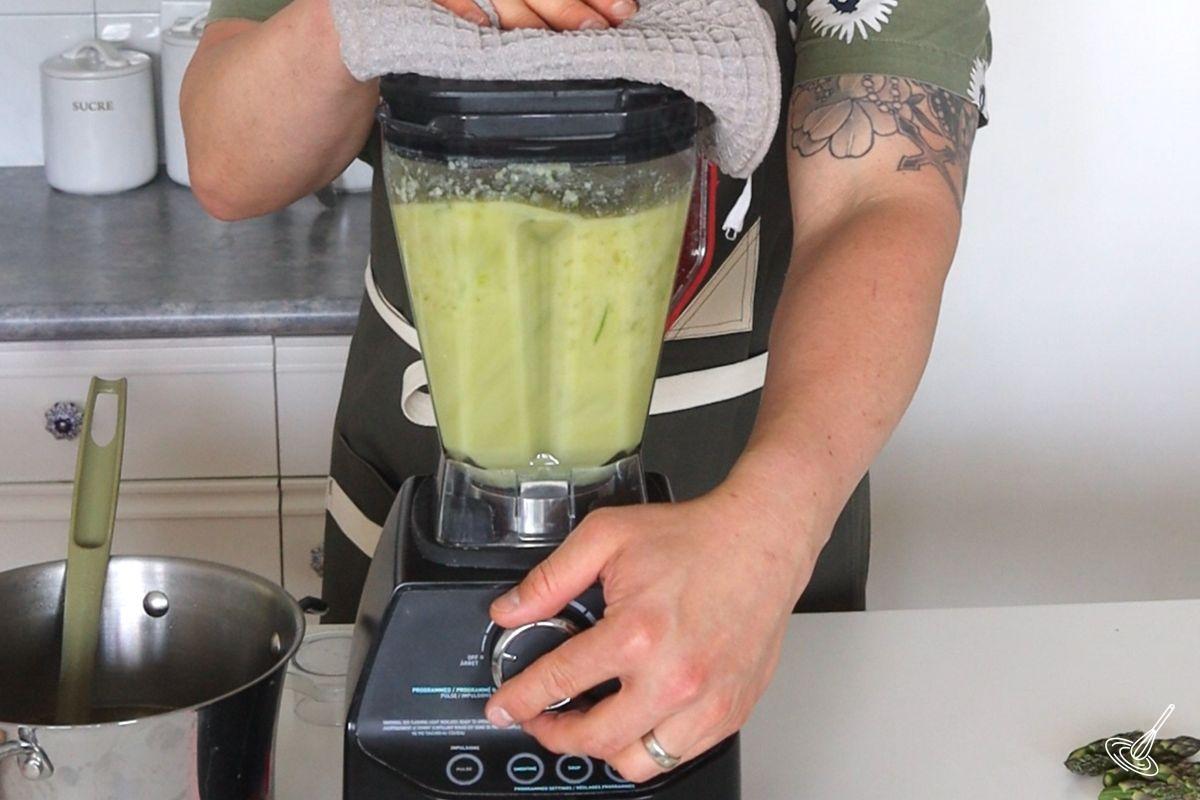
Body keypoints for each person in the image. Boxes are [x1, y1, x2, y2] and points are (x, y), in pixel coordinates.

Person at [182, 0, 990, 783]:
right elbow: (230, 162)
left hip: (752, 485)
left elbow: (878, 195)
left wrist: (772, 529)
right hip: (432, 458)